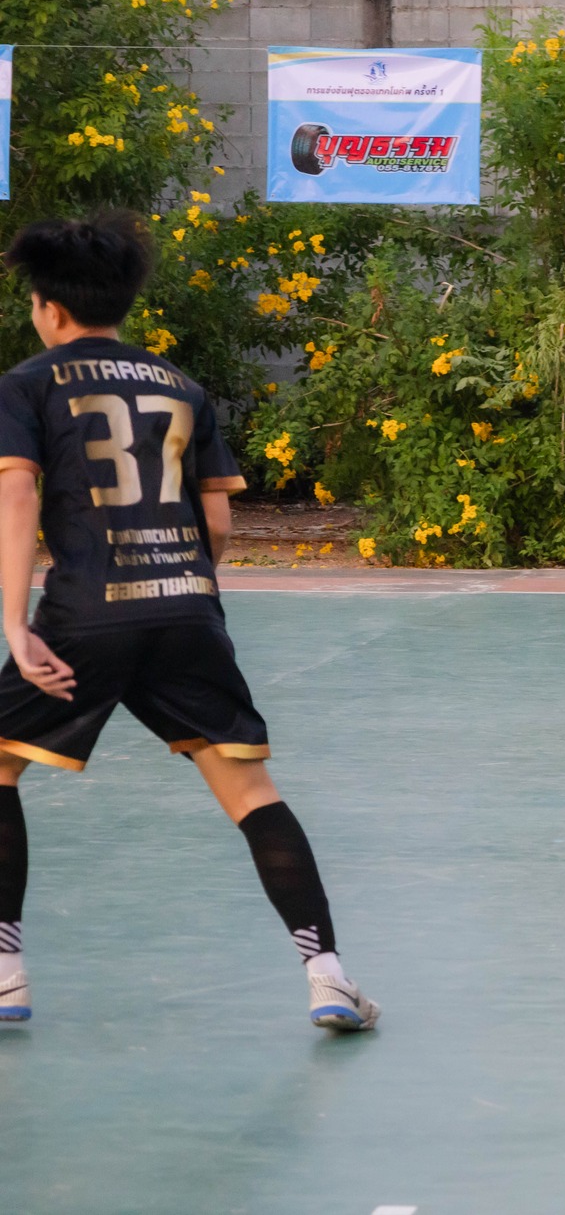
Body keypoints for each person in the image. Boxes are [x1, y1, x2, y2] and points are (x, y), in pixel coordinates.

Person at [0, 211, 374, 1029]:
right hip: (186, 612)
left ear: (48, 308)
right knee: (249, 790)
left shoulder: (27, 385)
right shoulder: (181, 387)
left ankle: (5, 971)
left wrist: (14, 621)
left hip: (84, 614)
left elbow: (19, 492)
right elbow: (220, 528)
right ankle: (329, 974)